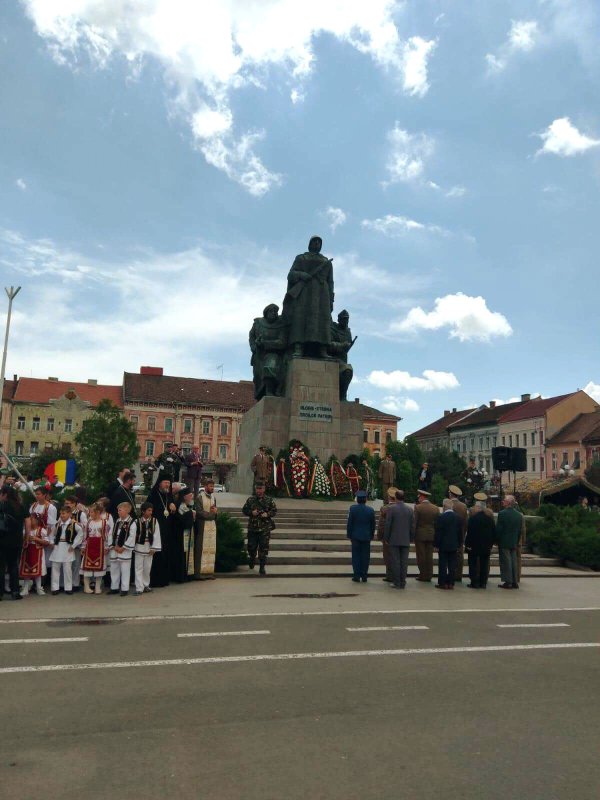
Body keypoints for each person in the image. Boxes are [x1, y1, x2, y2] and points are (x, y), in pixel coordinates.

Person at [282, 235, 334, 359]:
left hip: (322, 294)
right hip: (305, 293)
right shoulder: (301, 258)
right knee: (300, 320)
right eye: (314, 242)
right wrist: (302, 275)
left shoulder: (326, 261)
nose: (317, 244)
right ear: (309, 244)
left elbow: (330, 281)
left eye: (319, 242)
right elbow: (291, 275)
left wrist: (331, 299)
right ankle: (298, 348)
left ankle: (323, 349)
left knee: (322, 322)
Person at [0, 485, 30, 600]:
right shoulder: (20, 505)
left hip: (2, 539)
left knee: (1, 566)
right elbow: (27, 522)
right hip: (16, 540)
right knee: (14, 565)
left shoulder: (2, 505)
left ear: (5, 494)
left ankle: (0, 593)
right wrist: (27, 537)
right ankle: (15, 592)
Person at [242, 481, 277, 576]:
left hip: (264, 529)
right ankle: (252, 558)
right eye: (257, 489)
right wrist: (251, 512)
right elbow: (244, 510)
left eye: (261, 488)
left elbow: (274, 511)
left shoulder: (269, 500)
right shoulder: (250, 500)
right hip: (253, 528)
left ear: (264, 489)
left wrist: (268, 514)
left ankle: (262, 567)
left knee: (264, 549)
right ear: (255, 489)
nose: (259, 491)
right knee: (251, 547)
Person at [147, 478, 176, 587]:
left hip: (167, 531)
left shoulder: (169, 496)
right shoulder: (153, 495)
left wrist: (173, 506)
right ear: (160, 483)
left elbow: (171, 511)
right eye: (165, 482)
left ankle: (165, 579)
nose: (167, 485)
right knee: (157, 555)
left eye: (169, 483)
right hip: (156, 529)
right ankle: (154, 580)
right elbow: (148, 510)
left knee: (166, 554)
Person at [50, 506, 84, 595]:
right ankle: (55, 588)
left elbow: (80, 533)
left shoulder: (73, 524)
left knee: (67, 569)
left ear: (69, 514)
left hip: (67, 547)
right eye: (61, 513)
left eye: (64, 513)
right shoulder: (58, 524)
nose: (62, 515)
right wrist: (51, 542)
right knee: (55, 567)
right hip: (57, 547)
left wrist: (74, 545)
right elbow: (52, 533)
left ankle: (68, 588)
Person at [383, 490, 414, 589]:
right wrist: (411, 538)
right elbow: (412, 526)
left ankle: (397, 582)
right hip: (405, 539)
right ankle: (403, 582)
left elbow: (388, 524)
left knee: (395, 561)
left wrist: (386, 538)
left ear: (395, 497)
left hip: (394, 540)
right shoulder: (410, 510)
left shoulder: (391, 509)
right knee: (404, 562)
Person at [81, 502, 112, 595]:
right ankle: (86, 587)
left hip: (100, 547)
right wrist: (83, 546)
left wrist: (107, 546)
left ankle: (98, 587)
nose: (90, 514)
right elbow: (85, 535)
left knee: (100, 567)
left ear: (98, 512)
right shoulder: (89, 522)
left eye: (92, 512)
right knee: (87, 567)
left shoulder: (104, 523)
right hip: (89, 547)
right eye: (89, 512)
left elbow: (107, 536)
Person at [464, 499, 496, 589]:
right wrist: (490, 544)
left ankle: (474, 582)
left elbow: (470, 533)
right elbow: (493, 532)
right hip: (486, 546)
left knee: (473, 564)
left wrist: (468, 545)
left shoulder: (473, 519)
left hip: (474, 546)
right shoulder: (490, 519)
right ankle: (483, 583)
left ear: (478, 508)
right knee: (484, 565)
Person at [346, 489, 375, 583]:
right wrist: (371, 535)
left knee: (356, 556)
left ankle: (357, 576)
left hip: (355, 536)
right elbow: (373, 525)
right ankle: (364, 575)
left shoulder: (353, 509)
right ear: (366, 499)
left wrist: (349, 535)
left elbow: (349, 523)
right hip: (366, 537)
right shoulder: (370, 510)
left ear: (357, 499)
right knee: (365, 556)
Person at [30, 485, 57, 585]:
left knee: (45, 561)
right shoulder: (33, 506)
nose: (36, 496)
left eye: (38, 494)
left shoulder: (51, 507)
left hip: (44, 535)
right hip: (34, 535)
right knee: (33, 559)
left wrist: (49, 540)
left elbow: (51, 525)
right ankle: (34, 582)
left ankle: (43, 583)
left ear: (45, 495)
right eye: (36, 494)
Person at [108, 502, 137, 596]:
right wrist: (112, 545)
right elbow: (110, 534)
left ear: (127, 510)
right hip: (115, 548)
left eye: (120, 510)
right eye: (118, 510)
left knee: (125, 569)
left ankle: (124, 588)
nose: (118, 512)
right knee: (114, 568)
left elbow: (132, 536)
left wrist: (124, 547)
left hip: (124, 550)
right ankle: (114, 587)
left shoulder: (132, 522)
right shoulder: (117, 521)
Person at [496, 495, 524, 589]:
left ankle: (508, 582)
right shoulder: (519, 515)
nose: (502, 501)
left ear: (508, 502)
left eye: (504, 500)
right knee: (513, 561)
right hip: (514, 541)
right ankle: (515, 581)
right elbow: (520, 530)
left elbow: (499, 529)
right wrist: (517, 541)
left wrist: (496, 540)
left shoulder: (502, 513)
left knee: (506, 562)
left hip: (504, 541)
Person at [434, 499, 463, 590]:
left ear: (444, 507)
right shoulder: (458, 517)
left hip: (443, 545)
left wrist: (436, 545)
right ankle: (451, 583)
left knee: (442, 565)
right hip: (454, 545)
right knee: (452, 565)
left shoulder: (441, 517)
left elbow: (438, 532)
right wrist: (459, 544)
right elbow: (460, 533)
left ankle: (442, 583)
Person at [412, 489, 440, 583]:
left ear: (422, 497)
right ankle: (429, 574)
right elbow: (437, 524)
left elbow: (414, 523)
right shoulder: (435, 508)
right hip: (431, 535)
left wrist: (412, 535)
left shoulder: (418, 507)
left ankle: (422, 575)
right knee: (429, 556)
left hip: (420, 535)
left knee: (421, 555)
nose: (418, 499)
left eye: (419, 497)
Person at [20, 512, 50, 596]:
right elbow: (21, 540)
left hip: (38, 553)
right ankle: (25, 588)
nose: (30, 520)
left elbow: (47, 542)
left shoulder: (42, 530)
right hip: (27, 552)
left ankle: (39, 587)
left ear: (37, 521)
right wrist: (26, 539)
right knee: (26, 570)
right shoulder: (25, 530)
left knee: (38, 570)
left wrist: (36, 539)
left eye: (31, 519)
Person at [134, 502, 161, 595]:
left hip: (149, 547)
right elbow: (133, 535)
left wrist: (154, 548)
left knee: (147, 567)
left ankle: (146, 585)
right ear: (143, 511)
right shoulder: (137, 521)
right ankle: (139, 588)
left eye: (151, 510)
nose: (151, 512)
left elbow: (156, 534)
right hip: (139, 547)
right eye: (149, 510)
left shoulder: (154, 521)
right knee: (138, 567)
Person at [193, 479, 218, 579]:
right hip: (202, 526)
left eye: (213, 486)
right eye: (210, 486)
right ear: (205, 486)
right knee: (201, 549)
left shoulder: (213, 497)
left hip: (212, 526)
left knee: (211, 549)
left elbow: (215, 510)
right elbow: (199, 512)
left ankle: (209, 573)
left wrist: (216, 513)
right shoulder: (199, 497)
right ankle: (199, 573)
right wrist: (212, 515)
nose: (212, 488)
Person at [63, 496, 87, 592]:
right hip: (66, 542)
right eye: (66, 503)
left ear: (75, 504)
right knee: (66, 564)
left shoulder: (81, 514)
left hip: (77, 542)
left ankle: (75, 583)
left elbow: (85, 527)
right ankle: (65, 584)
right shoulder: (63, 513)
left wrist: (76, 523)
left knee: (76, 563)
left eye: (69, 503)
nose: (67, 505)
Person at [377, 487, 398, 582]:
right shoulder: (403, 508)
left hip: (388, 538)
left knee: (387, 557)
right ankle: (397, 576)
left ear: (389, 497)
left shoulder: (385, 509)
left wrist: (380, 536)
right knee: (397, 558)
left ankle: (389, 576)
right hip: (399, 538)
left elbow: (381, 525)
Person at [169, 488, 190, 584]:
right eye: (190, 495)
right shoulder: (180, 506)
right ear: (185, 497)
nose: (191, 497)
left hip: (182, 535)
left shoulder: (184, 505)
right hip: (178, 535)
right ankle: (179, 576)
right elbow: (182, 520)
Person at [449, 485, 468, 583]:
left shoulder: (448, 504)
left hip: (449, 534)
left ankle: (450, 574)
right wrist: (463, 532)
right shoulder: (463, 506)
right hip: (460, 533)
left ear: (450, 494)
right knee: (459, 554)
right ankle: (458, 575)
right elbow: (465, 522)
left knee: (449, 555)